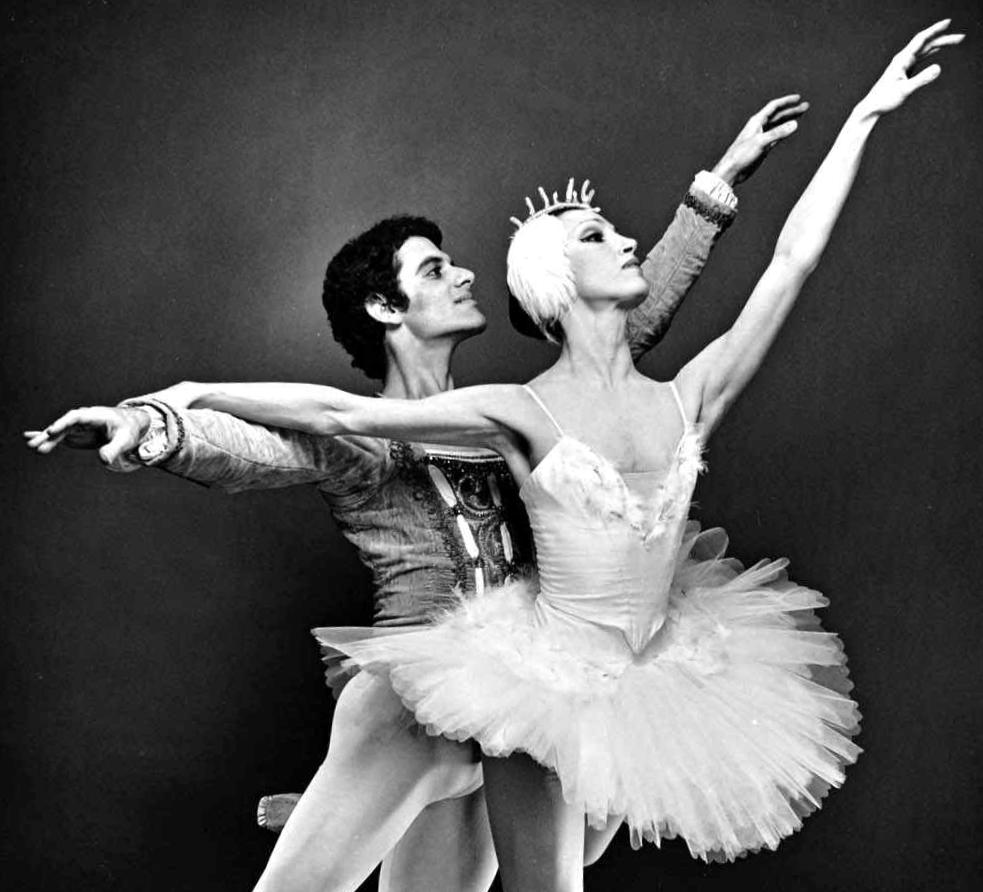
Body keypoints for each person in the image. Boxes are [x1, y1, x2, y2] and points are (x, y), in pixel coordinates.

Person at [33, 20, 960, 891]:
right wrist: (160, 417)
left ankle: (348, 810)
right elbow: (295, 431)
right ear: (387, 311)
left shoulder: (540, 403)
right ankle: (340, 808)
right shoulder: (423, 428)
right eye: (433, 270)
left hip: (563, 690)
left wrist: (734, 180)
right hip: (447, 694)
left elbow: (636, 334)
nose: (461, 272)